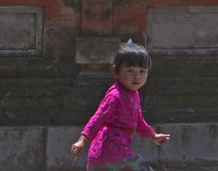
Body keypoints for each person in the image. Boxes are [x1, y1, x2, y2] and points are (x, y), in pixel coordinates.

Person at [71, 42, 171, 171]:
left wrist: (153, 136)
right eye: (130, 71)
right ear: (115, 71)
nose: (137, 76)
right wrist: (82, 140)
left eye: (142, 71)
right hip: (110, 153)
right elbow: (99, 117)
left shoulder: (133, 94)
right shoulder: (116, 96)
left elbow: (139, 120)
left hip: (114, 154)